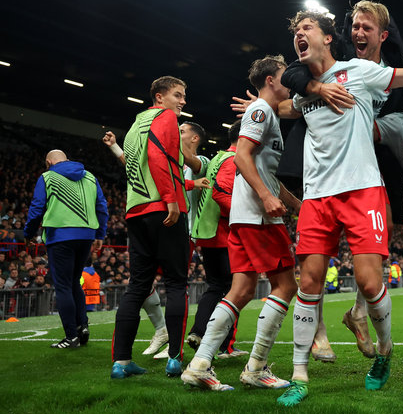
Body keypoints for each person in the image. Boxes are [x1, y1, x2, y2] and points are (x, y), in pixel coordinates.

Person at [275, 10, 403, 407]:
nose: (299, 35)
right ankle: (299, 375)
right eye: (296, 31)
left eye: (306, 28)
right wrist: (265, 104)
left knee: (368, 281)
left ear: (328, 38)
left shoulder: (358, 71)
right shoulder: (303, 90)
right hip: (317, 196)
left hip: (362, 191)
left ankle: (384, 351)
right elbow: (285, 105)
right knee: (308, 281)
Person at [181, 55, 300, 391]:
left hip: (244, 217)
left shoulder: (267, 113)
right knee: (286, 286)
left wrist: (295, 204)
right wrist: (265, 198)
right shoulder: (261, 111)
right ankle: (256, 367)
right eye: (284, 76)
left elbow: (266, 172)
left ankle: (200, 364)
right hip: (257, 217)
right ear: (271, 80)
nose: (289, 81)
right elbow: (242, 156)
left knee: (242, 289)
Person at [111, 76, 191, 379]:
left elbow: (131, 163)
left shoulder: (134, 126)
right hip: (163, 208)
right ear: (160, 97)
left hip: (136, 210)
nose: (182, 101)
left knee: (137, 287)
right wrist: (171, 199)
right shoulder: (165, 116)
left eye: (184, 96)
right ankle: (174, 359)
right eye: (178, 95)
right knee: (176, 283)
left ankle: (121, 362)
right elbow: (158, 156)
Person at [24, 150, 108, 348]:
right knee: (73, 283)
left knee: (63, 286)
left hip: (60, 236)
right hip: (86, 235)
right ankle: (82, 326)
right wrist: (100, 234)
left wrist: (28, 234)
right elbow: (102, 206)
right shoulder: (89, 176)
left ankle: (71, 336)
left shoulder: (47, 177)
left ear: (48, 162)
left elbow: (36, 209)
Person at [187, 119, 248, 359]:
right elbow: (222, 194)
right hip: (224, 234)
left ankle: (199, 332)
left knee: (217, 287)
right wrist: (244, 216)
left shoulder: (217, 158)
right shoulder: (233, 160)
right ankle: (223, 346)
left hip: (207, 233)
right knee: (236, 289)